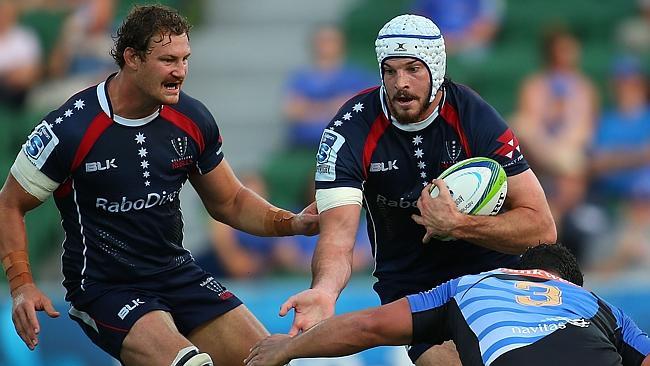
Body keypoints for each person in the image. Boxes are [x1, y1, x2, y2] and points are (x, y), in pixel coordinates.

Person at [0, 5, 318, 366]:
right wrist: (22, 284)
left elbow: (229, 201)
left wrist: (292, 222)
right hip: (106, 288)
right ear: (132, 58)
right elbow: (9, 204)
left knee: (270, 359)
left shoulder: (192, 117)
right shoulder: (70, 128)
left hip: (177, 274)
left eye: (185, 59)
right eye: (168, 60)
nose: (180, 71)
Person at [279, 14, 556, 365]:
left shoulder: (474, 117)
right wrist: (324, 290)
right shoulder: (350, 130)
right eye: (390, 71)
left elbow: (542, 228)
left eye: (413, 69)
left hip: (493, 276)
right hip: (413, 288)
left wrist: (457, 225)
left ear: (436, 69)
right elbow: (337, 238)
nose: (400, 84)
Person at [246, 244, 650, 366]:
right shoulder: (598, 305)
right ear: (568, 284)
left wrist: (288, 347)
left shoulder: (468, 286)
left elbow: (367, 326)